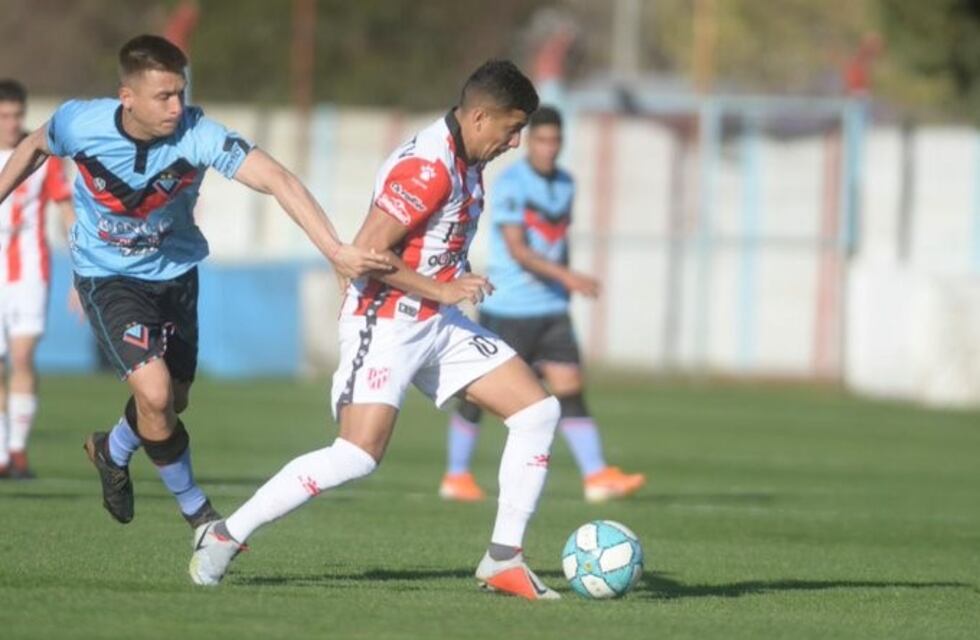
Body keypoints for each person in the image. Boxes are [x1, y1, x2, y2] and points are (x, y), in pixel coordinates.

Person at [190, 60, 563, 601]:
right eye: (512, 128)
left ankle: (504, 558)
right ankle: (225, 535)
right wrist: (444, 289)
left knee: (537, 412)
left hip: (437, 320)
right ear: (480, 116)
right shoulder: (429, 166)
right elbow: (363, 253)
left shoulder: (467, 155)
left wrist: (442, 294)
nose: (515, 141)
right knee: (357, 454)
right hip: (386, 321)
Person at [0, 35, 388, 532]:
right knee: (156, 395)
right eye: (164, 96)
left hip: (177, 275)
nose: (176, 106)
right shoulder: (81, 123)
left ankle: (111, 449)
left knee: (172, 403)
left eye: (180, 93)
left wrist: (333, 249)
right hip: (106, 276)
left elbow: (278, 179)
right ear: (127, 98)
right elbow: (34, 147)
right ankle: (200, 515)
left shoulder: (198, 134)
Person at [438, 106, 646, 504]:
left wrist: (562, 283)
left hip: (550, 306)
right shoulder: (514, 183)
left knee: (570, 386)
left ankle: (597, 475)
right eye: (542, 140)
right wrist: (568, 277)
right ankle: (456, 475)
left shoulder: (566, 184)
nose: (549, 149)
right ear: (530, 142)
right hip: (510, 306)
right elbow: (518, 249)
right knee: (482, 394)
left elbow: (558, 241)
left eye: (555, 141)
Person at [0, 79, 77, 479]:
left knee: (23, 356)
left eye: (17, 115)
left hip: (30, 268)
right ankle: (2, 449)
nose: (12, 123)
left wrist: (81, 272)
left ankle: (17, 452)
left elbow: (66, 210)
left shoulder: (42, 156)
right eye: (4, 115)